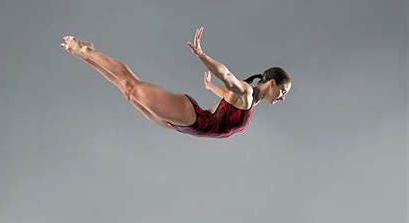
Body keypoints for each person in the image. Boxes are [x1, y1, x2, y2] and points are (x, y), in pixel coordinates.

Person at [60, 27, 292, 138]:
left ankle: (84, 53)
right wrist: (202, 55)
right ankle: (84, 50)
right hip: (192, 116)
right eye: (282, 90)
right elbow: (226, 74)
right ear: (271, 83)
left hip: (187, 125)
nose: (283, 97)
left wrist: (210, 87)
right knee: (132, 86)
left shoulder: (248, 101)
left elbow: (225, 98)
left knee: (127, 91)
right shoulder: (247, 94)